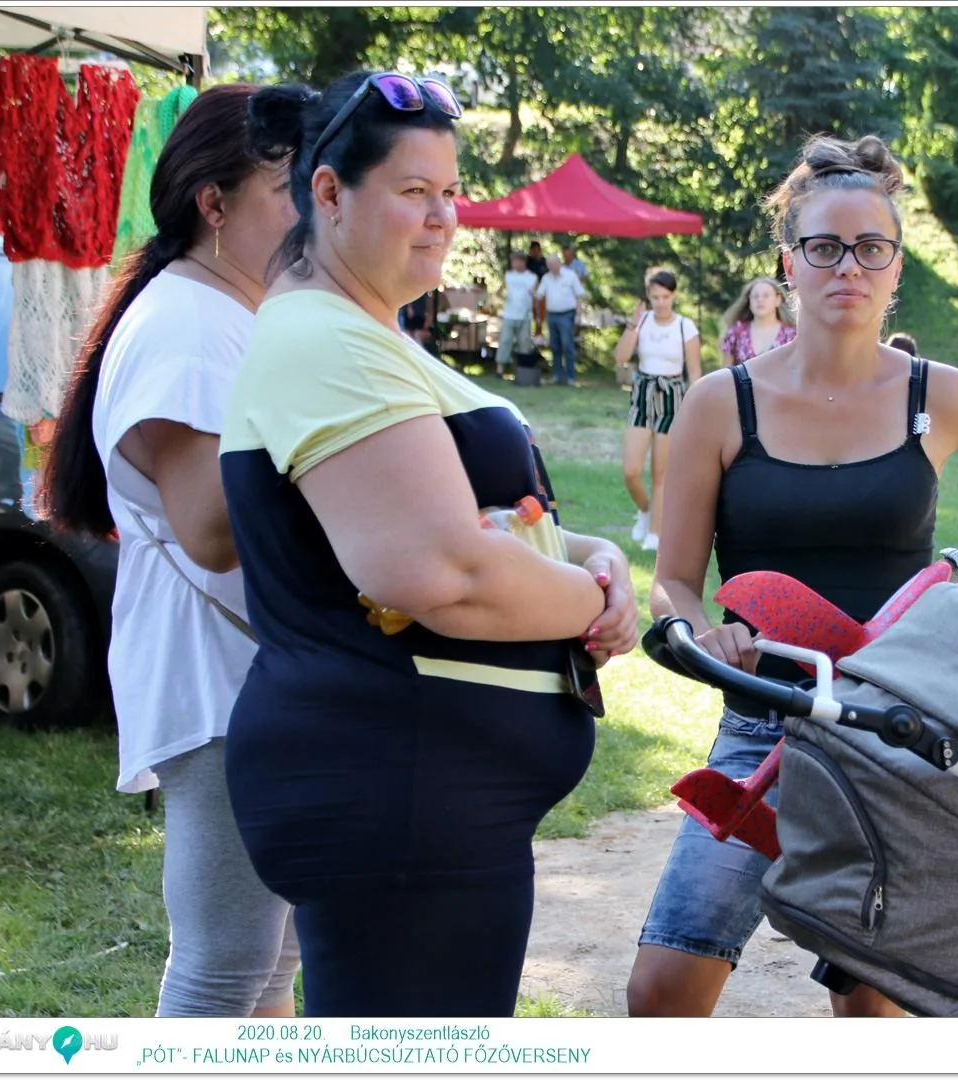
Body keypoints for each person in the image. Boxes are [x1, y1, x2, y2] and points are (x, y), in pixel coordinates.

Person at [626, 133, 958, 1019]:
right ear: (788, 264)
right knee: (662, 993)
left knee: (872, 1011)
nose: (847, 265)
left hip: (891, 734)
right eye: (823, 247)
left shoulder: (938, 394)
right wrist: (700, 630)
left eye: (869, 248)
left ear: (894, 270)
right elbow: (675, 580)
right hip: (761, 735)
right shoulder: (717, 402)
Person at [220, 71, 639, 1017]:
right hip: (399, 789)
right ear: (327, 192)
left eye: (450, 193)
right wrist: (596, 604)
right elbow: (440, 571)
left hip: (429, 797)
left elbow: (496, 528)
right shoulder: (325, 340)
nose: (444, 216)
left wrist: (596, 561)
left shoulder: (366, 334)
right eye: (414, 191)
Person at [37, 84, 302, 1018]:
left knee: (267, 964)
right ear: (214, 203)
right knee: (227, 963)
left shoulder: (230, 310)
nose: (311, 213)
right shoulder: (191, 322)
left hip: (251, 672)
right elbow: (214, 532)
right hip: (218, 677)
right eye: (288, 190)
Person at [615, 267, 702, 552]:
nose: (660, 303)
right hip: (642, 394)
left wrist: (694, 408)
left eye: (665, 297)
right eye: (655, 297)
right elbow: (621, 358)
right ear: (649, 297)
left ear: (673, 295)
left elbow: (695, 372)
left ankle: (655, 532)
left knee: (661, 473)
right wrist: (633, 324)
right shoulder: (643, 322)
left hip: (671, 396)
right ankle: (646, 510)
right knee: (631, 470)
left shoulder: (684, 326)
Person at [534, 252, 587, 386]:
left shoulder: (570, 276)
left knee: (567, 345)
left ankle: (570, 376)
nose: (550, 267)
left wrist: (578, 315)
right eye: (548, 265)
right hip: (552, 315)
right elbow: (539, 295)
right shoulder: (546, 278)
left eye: (552, 264)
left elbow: (579, 296)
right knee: (554, 345)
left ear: (559, 263)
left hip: (567, 314)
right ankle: (557, 375)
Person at [718, 276, 796, 365]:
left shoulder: (791, 335)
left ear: (778, 299)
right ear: (749, 301)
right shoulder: (736, 331)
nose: (760, 300)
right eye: (755, 296)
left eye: (766, 296)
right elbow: (726, 371)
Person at [495, 249, 535, 378]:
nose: (513, 263)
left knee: (524, 342)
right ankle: (500, 370)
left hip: (525, 315)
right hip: (509, 314)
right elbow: (499, 292)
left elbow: (537, 295)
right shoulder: (509, 275)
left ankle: (522, 371)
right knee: (505, 340)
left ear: (522, 261)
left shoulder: (532, 277)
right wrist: (504, 298)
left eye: (515, 261)